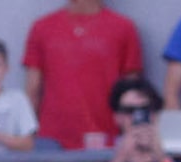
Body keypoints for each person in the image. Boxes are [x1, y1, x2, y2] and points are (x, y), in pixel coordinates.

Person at [24, 0, 150, 152]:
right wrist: (26, 138)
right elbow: (33, 90)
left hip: (107, 139)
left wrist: (134, 137)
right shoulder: (42, 28)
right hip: (51, 141)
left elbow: (132, 93)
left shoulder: (124, 28)